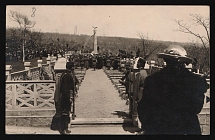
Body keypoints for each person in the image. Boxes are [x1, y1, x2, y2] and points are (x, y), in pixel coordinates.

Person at [137, 45, 208, 135]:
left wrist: (149, 126)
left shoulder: (152, 80)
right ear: (184, 61)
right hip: (187, 129)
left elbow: (143, 108)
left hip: (159, 128)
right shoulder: (197, 81)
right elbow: (197, 108)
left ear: (165, 60)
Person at [50, 61, 77, 134]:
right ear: (72, 67)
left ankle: (65, 128)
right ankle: (63, 129)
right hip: (65, 97)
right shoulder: (67, 75)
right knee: (64, 113)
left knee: (66, 113)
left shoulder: (64, 74)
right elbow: (65, 88)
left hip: (64, 96)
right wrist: (69, 98)